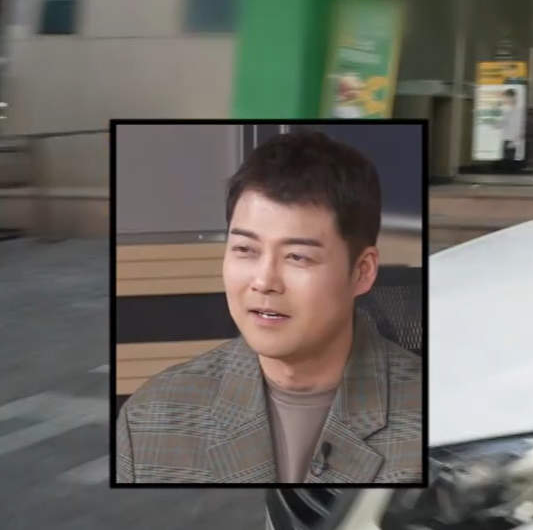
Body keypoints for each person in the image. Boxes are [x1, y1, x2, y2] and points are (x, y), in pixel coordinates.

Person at [115, 132, 423, 484]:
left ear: (362, 271)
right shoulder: (152, 421)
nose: (264, 281)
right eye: (245, 250)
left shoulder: (436, 422)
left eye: (298, 256)